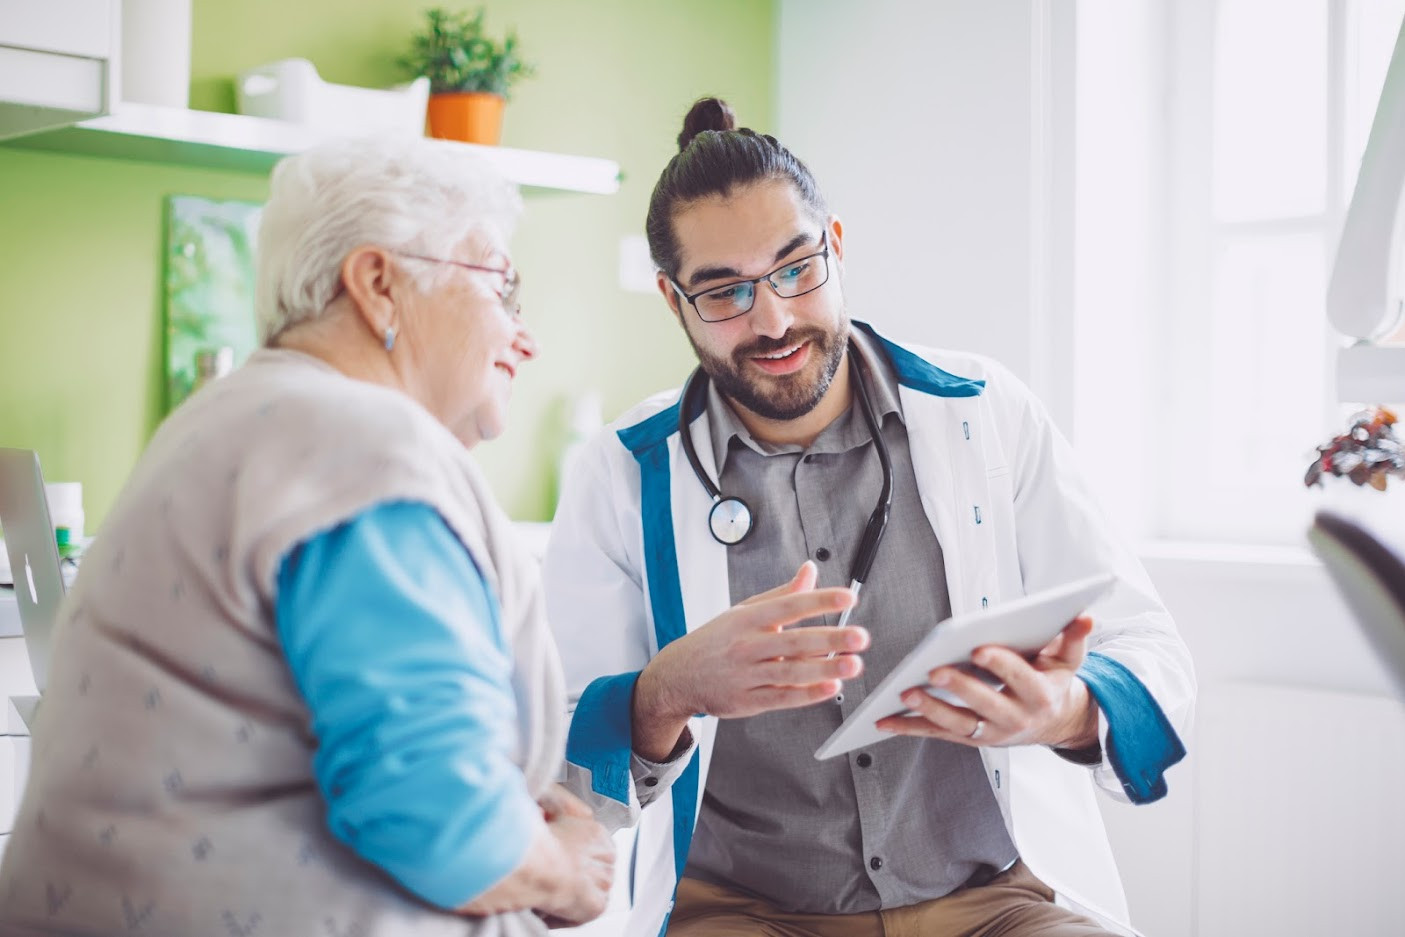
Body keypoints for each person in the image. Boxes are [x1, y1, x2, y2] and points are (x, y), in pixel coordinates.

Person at [545, 98, 1195, 937]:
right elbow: (555, 753)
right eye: (724, 292)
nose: (773, 319)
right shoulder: (622, 471)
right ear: (674, 301)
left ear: (836, 247)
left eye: (794, 269)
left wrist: (1063, 709)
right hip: (742, 912)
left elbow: (1146, 647)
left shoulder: (987, 415)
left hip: (992, 903)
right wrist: (668, 688)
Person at [0, 138, 614, 936]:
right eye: (503, 287)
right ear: (378, 284)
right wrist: (566, 872)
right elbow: (434, 810)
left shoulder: (242, 419)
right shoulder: (360, 446)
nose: (524, 338)